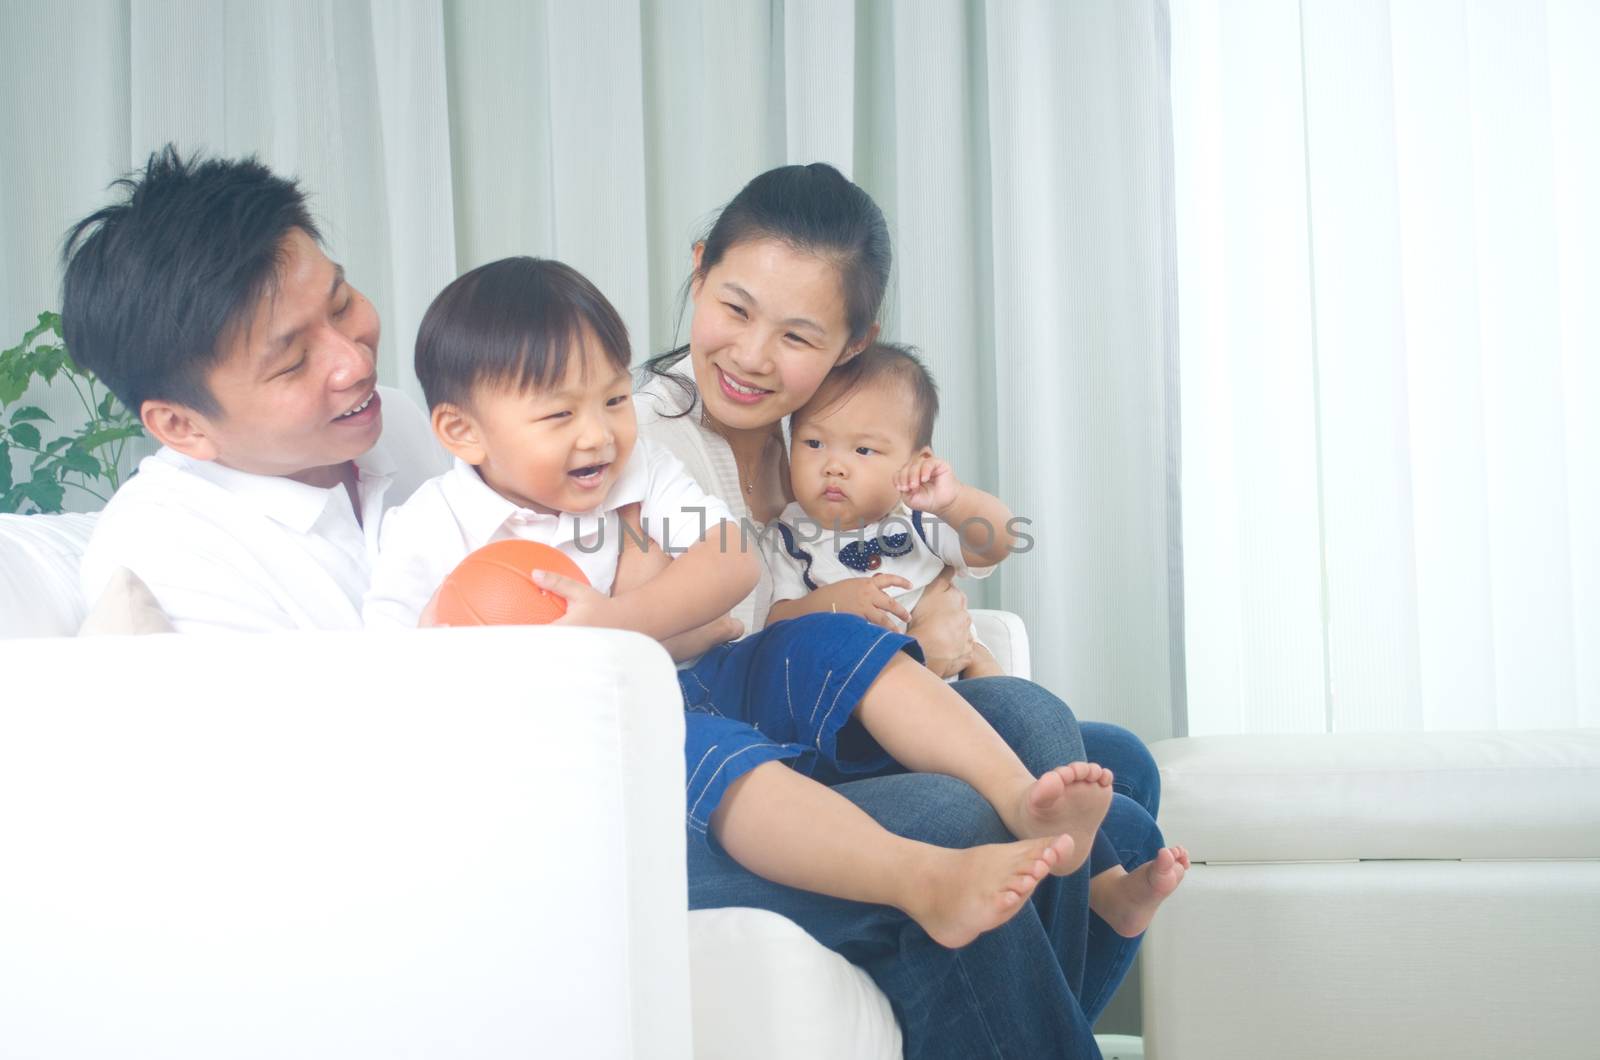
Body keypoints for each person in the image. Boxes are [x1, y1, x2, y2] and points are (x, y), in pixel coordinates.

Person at [365, 255, 1117, 948]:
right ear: (462, 432)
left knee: (834, 640)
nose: (599, 435)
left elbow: (731, 564)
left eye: (616, 399)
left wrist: (613, 624)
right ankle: (922, 879)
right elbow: (377, 676)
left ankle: (1024, 798)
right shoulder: (431, 528)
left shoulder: (639, 471)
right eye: (559, 416)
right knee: (695, 744)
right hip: (598, 744)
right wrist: (453, 653)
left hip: (704, 672)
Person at [637, 161, 1176, 1056]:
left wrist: (933, 610)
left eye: (799, 335)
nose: (754, 356)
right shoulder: (644, 438)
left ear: (851, 344)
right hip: (740, 749)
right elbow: (720, 628)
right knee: (1018, 772)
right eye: (734, 309)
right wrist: (861, 625)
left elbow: (959, 542)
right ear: (698, 271)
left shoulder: (828, 429)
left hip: (841, 708)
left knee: (1118, 767)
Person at [765, 338, 1190, 938]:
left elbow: (994, 542)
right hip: (874, 723)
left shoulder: (914, 518)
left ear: (914, 460)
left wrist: (954, 500)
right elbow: (775, 623)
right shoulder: (790, 536)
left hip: (953, 698)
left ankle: (1106, 885)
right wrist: (830, 603)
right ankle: (1096, 887)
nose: (834, 464)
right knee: (1031, 734)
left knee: (1079, 763)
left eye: (864, 449)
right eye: (813, 443)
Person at [62, 147, 447, 631]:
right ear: (181, 425)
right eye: (291, 362)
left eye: (342, 304)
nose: (356, 363)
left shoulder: (391, 418)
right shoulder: (165, 555)